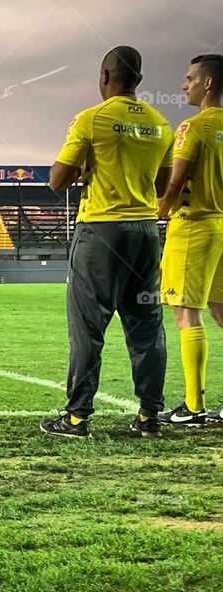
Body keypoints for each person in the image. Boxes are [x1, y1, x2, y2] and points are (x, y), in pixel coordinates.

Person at [40, 46, 173, 439]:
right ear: (140, 81)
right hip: (146, 232)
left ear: (103, 77)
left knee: (87, 327)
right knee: (147, 326)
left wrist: (86, 170)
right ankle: (150, 417)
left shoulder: (90, 119)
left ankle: (77, 418)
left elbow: (57, 180)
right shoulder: (160, 123)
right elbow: (163, 186)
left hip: (101, 231)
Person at [156, 54, 223, 425]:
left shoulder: (193, 127)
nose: (185, 85)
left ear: (207, 83)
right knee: (221, 311)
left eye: (190, 79)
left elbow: (175, 181)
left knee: (186, 313)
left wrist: (159, 210)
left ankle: (194, 407)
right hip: (222, 225)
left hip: (194, 224)